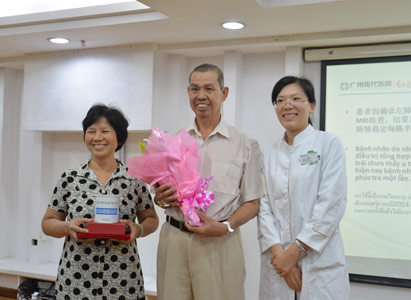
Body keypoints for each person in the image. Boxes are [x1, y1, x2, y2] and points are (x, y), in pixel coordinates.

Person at [153, 63, 267, 300]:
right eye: (195, 89)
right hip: (174, 239)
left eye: (209, 89)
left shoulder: (245, 143)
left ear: (224, 93)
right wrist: (161, 198)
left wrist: (226, 227)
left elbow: (253, 202)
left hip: (220, 241)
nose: (201, 96)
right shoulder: (172, 139)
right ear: (188, 93)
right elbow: (160, 194)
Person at [41, 104, 159, 300]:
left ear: (119, 137)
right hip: (76, 281)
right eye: (91, 131)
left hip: (123, 279)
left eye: (105, 131)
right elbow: (47, 223)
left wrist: (139, 230)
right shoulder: (70, 178)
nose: (97, 137)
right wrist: (67, 227)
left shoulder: (135, 180)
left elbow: (151, 219)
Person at [257, 76, 350, 300]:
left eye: (296, 98)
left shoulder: (329, 144)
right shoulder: (268, 153)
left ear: (312, 106)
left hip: (319, 264)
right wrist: (282, 257)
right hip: (277, 264)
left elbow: (331, 204)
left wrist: (295, 252)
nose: (287, 106)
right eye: (280, 101)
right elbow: (263, 207)